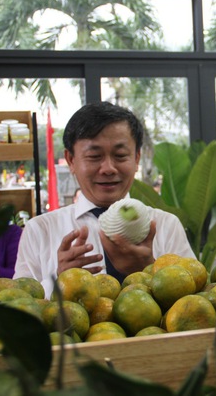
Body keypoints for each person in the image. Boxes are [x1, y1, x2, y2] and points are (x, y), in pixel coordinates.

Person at [13, 102, 194, 298]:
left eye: (120, 155)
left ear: (137, 158)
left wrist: (149, 270)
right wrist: (59, 280)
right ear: (71, 160)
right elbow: (20, 306)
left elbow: (194, 303)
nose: (108, 168)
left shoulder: (166, 225)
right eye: (94, 156)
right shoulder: (39, 231)